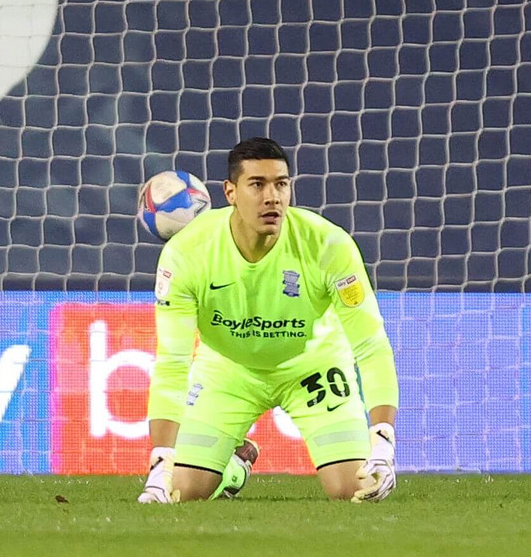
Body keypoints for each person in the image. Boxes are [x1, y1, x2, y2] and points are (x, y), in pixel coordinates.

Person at [136, 137, 399, 503]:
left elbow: (370, 344)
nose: (272, 196)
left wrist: (383, 441)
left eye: (281, 183)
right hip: (228, 371)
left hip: (312, 367)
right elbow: (173, 361)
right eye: (257, 185)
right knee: (180, 491)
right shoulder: (186, 253)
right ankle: (233, 467)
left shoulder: (327, 245)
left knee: (355, 489)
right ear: (230, 192)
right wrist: (161, 461)